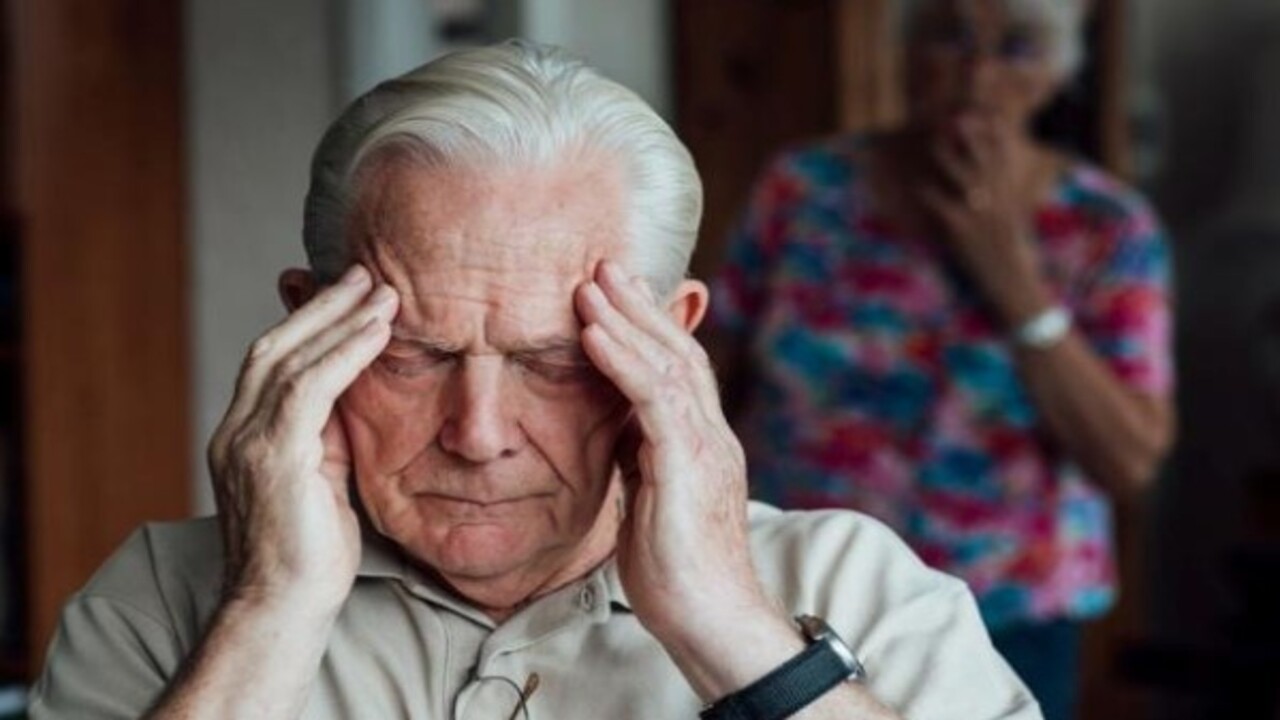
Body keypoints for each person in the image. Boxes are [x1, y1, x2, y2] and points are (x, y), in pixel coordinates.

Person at [28, 41, 1039, 720]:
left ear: (672, 343)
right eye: (411, 355)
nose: (478, 434)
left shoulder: (858, 588)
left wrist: (729, 626)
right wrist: (269, 613)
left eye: (553, 362)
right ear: (307, 327)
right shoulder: (162, 602)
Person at [707, 2, 1173, 719]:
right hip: (796, 586)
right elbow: (710, 370)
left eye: (1017, 48)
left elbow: (1131, 459)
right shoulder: (802, 189)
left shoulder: (1105, 226)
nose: (977, 73)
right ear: (905, 52)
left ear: (1058, 74)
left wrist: (1013, 280)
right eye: (951, 37)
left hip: (1011, 614)